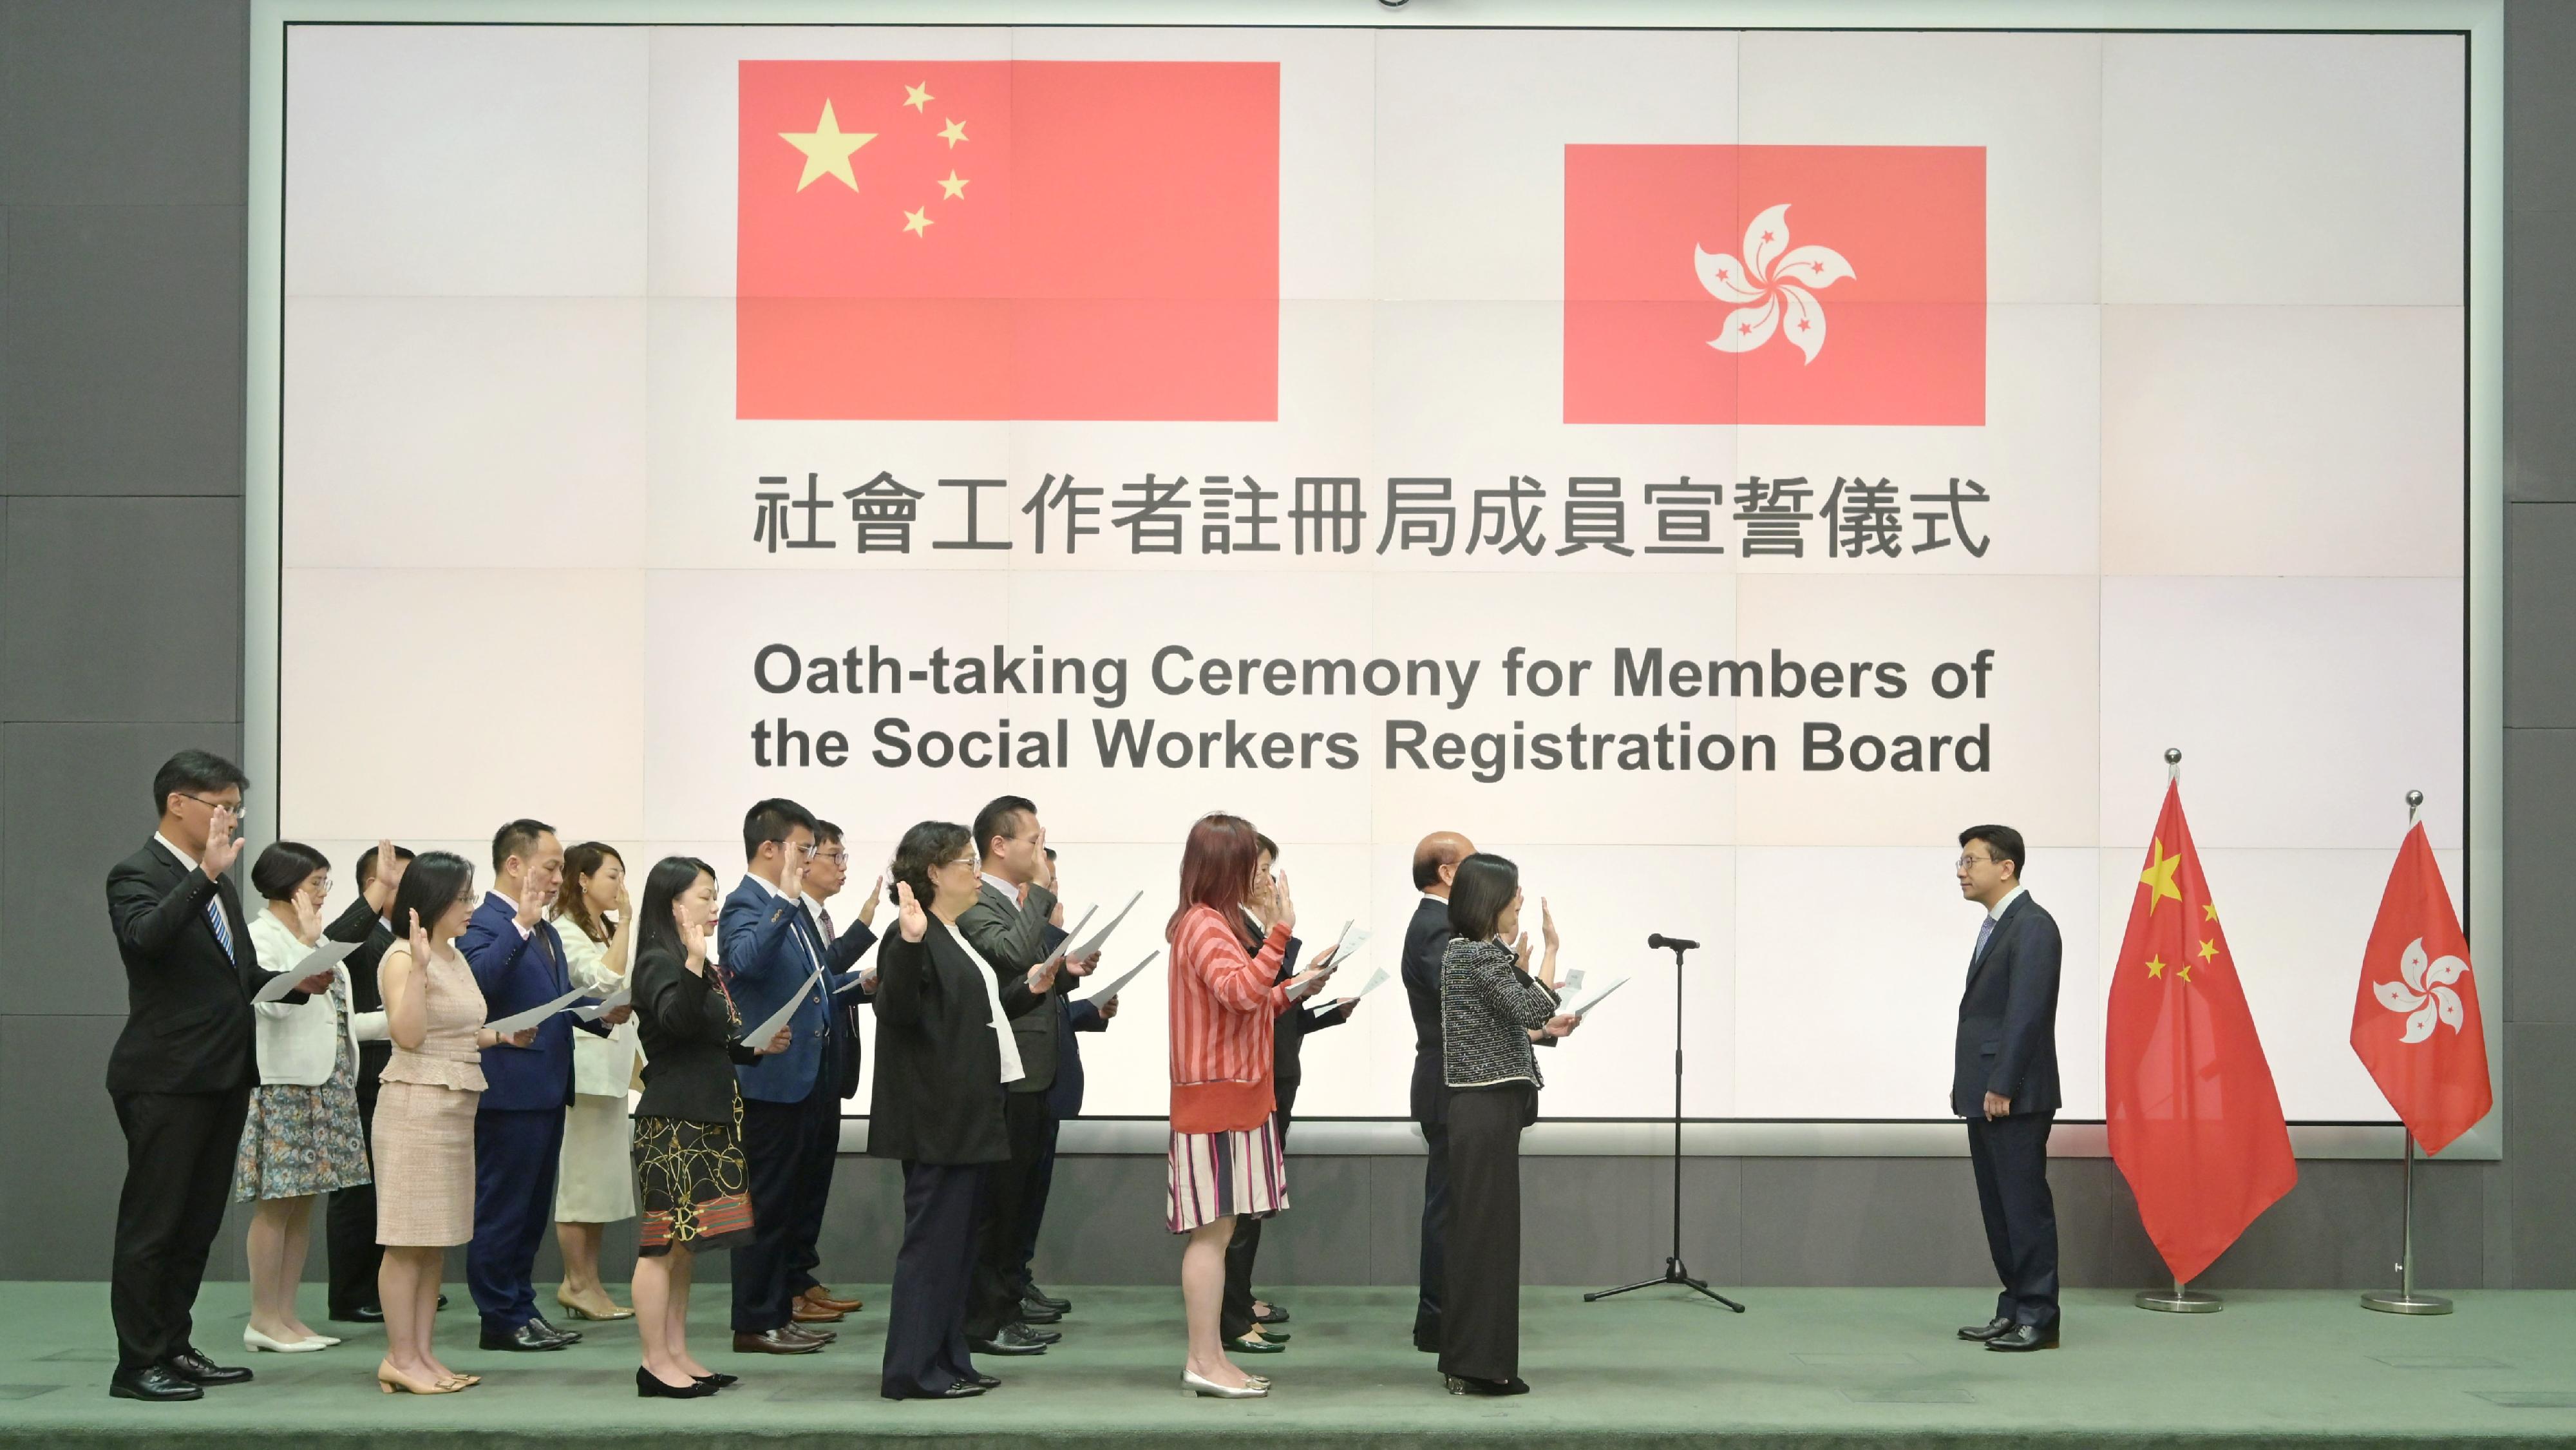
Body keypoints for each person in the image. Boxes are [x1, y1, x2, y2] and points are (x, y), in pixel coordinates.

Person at [102, 749, 334, 1402]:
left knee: (197, 1223)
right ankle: (137, 1362)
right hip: (166, 1076)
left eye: (236, 807)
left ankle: (173, 1345)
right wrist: (204, 874)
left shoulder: (218, 883)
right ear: (179, 803)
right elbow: (146, 939)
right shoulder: (137, 873)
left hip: (225, 1074)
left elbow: (235, 979)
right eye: (222, 806)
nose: (230, 819)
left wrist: (293, 985)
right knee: (155, 1225)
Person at [869, 820, 1064, 1400]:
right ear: (933, 873)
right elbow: (898, 1009)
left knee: (958, 1251)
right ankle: (911, 1369)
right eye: (966, 864)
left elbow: (972, 1016)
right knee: (932, 1249)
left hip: (971, 1115)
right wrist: (904, 942)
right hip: (938, 1120)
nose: (977, 874)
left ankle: (950, 1358)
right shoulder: (913, 933)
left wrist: (1029, 986)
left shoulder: (952, 933)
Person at [1165, 812, 1334, 1400]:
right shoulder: (1206, 925)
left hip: (1231, 1094)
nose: (1261, 876)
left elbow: (1250, 1000)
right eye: (1252, 865)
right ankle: (1203, 1359)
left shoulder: (1208, 922)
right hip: (1217, 1098)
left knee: (1221, 1228)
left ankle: (1209, 1358)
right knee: (1212, 1233)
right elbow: (1241, 994)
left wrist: (1291, 988)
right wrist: (1283, 932)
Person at [629, 855, 792, 1398]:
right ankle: (654, 1362)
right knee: (661, 1244)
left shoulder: (693, 958)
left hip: (708, 1117)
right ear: (674, 903)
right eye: (704, 895)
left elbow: (707, 1038)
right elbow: (674, 1022)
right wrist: (696, 964)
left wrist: (754, 1046)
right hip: (673, 1121)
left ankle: (676, 1351)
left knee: (685, 1247)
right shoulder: (658, 959)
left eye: (715, 894)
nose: (714, 905)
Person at [375, 851, 536, 1395]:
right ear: (435, 901)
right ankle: (399, 1356)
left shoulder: (455, 955)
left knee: (434, 1240)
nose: (471, 906)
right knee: (405, 1239)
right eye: (463, 897)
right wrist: (419, 969)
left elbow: (464, 1028)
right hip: (416, 1105)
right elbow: (411, 1034)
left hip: (455, 1105)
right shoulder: (404, 956)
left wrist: (503, 1036)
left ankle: (422, 1352)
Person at [460, 818, 625, 1353]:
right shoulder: (484, 921)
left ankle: (523, 1306)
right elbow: (480, 986)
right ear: (514, 865)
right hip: (507, 1091)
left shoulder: (546, 928)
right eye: (551, 866)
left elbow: (558, 999)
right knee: (502, 1209)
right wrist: (520, 927)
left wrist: (601, 1015)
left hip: (549, 1087)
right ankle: (498, 1316)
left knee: (530, 1213)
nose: (560, 878)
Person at [956, 794, 1095, 1356]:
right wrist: (1042, 891)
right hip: (1003, 1076)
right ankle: (986, 1319)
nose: (1041, 851)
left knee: (1015, 1206)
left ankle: (1007, 1304)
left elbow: (1027, 977)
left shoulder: (1013, 901)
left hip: (1034, 1070)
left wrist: (1064, 973)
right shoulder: (978, 900)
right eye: (1034, 841)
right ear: (1000, 845)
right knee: (997, 1208)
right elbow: (1010, 957)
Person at [1437, 854, 1580, 1396]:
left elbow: (1521, 1016)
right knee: (1484, 1238)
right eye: (1513, 891)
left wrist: (1530, 978)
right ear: (1488, 899)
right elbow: (1529, 1009)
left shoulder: (1474, 956)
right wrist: (1549, 950)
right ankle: (1478, 1365)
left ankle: (1474, 1361)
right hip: (1483, 1111)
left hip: (1486, 1111)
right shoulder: (1473, 956)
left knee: (1485, 1236)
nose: (1520, 899)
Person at [236, 841, 380, 1353]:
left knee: (303, 1205)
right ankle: (261, 1318)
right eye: (317, 882)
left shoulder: (313, 941)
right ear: (290, 884)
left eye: (325, 883)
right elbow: (272, 1007)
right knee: (277, 1205)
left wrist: (404, 1019)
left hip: (329, 1085)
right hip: (286, 1086)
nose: (323, 894)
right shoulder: (261, 936)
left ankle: (287, 1315)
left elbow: (341, 1018)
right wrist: (310, 948)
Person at [721, 799, 849, 1355]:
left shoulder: (790, 909)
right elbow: (744, 963)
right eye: (803, 849)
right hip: (768, 1082)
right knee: (765, 1207)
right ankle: (754, 1321)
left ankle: (779, 1309)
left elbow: (812, 983)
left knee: (790, 1204)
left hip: (806, 1074)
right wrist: (786, 901)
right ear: (769, 848)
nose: (810, 859)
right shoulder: (745, 903)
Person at [1220, 833, 1356, 1355]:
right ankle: (1231, 1310)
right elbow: (1256, 1001)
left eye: (1272, 870)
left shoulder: (1259, 932)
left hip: (1278, 1071)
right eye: (1261, 869)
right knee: (1241, 1203)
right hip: (1254, 1078)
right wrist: (1292, 960)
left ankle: (1240, 1297)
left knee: (1256, 1202)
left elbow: (1281, 1013)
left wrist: (1319, 1004)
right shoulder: (1233, 932)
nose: (1270, 881)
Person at [1951, 824, 2064, 1353]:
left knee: (2023, 1207)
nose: (1961, 870)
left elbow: (2027, 1014)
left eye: (1971, 861)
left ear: (2006, 867)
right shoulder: (2000, 926)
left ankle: (2039, 1315)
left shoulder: (2034, 926)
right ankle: (2014, 1306)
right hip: (1987, 1094)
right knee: (1998, 1209)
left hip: (2012, 1095)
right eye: (1961, 861)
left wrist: (2003, 1084)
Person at [786, 818, 880, 1326]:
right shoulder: (790, 914)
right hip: (801, 1070)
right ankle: (789, 1284)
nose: (842, 866)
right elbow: (818, 981)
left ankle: (803, 1277)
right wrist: (865, 933)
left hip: (829, 1072)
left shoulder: (817, 917)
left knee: (814, 1184)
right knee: (794, 1185)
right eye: (833, 856)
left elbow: (826, 980)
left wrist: (861, 982)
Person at [1011, 846, 1107, 1324]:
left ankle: (1018, 1279)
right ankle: (1007, 1289)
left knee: (1033, 1193)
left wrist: (1087, 1005)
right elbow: (1020, 1002)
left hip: (1048, 1082)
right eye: (1050, 885)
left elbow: (1051, 1011)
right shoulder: (1017, 937)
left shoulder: (1042, 940)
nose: (1057, 894)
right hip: (1026, 1083)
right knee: (1014, 1197)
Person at [550, 841, 641, 1322]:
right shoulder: (564, 929)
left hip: (610, 1068)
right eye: (611, 875)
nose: (620, 886)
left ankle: (590, 1282)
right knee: (581, 1183)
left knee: (603, 1185)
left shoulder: (603, 927)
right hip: (582, 1070)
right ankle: (576, 1281)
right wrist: (626, 924)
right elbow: (603, 980)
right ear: (581, 878)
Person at [323, 843, 413, 1324]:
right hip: (363, 1080)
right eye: (401, 881)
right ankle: (350, 1292)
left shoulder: (403, 937)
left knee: (389, 1190)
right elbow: (332, 942)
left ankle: (386, 1286)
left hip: (395, 1078)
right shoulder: (360, 932)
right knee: (358, 1192)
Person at [1401, 828, 1473, 1354]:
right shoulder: (1435, 926)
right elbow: (1459, 1006)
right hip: (1449, 1086)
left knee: (1457, 1206)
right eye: (1472, 863)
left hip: (1457, 1085)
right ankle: (1438, 1321)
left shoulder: (1447, 925)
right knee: (1448, 1208)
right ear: (1448, 873)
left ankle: (1450, 1316)